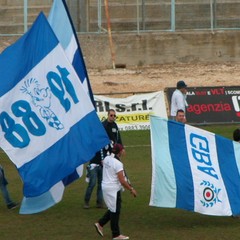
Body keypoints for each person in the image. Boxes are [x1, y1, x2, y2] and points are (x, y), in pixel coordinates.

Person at [94, 144, 137, 240]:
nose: (124, 151)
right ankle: (116, 235)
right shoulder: (118, 164)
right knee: (115, 211)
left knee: (113, 208)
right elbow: (122, 180)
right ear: (120, 152)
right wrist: (131, 189)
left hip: (106, 187)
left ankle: (100, 224)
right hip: (112, 189)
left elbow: (102, 162)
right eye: (123, 149)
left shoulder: (107, 158)